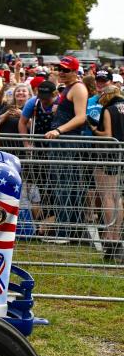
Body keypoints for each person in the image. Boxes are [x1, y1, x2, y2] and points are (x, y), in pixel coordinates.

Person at [44, 56, 89, 241]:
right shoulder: (68, 87)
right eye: (59, 68)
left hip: (67, 142)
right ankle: (66, 231)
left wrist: (58, 130)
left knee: (66, 186)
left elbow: (81, 117)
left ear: (75, 71)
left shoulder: (78, 88)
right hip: (62, 142)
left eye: (65, 70)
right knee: (62, 186)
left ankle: (65, 232)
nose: (61, 72)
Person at [92, 84, 124, 262]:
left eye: (102, 94)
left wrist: (95, 130)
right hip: (121, 156)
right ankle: (117, 236)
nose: (100, 96)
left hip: (108, 155)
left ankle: (111, 238)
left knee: (107, 196)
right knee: (117, 196)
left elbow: (108, 134)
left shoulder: (109, 109)